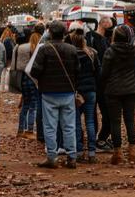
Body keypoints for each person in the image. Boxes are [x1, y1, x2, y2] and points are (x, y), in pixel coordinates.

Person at [30, 21, 80, 169]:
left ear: (50, 33)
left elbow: (35, 71)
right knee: (69, 126)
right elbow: (78, 70)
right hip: (68, 92)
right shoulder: (72, 49)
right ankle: (72, 157)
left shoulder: (44, 50)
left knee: (50, 126)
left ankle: (52, 157)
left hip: (49, 92)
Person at [101, 25, 135, 165]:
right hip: (130, 89)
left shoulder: (110, 51)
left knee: (115, 122)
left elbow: (104, 73)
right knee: (130, 120)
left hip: (113, 90)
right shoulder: (133, 50)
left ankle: (117, 153)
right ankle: (133, 152)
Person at [71, 33, 99, 163]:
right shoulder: (92, 54)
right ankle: (92, 152)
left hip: (77, 92)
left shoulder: (72, 55)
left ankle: (79, 151)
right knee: (90, 121)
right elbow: (98, 71)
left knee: (76, 122)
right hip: (91, 90)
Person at [87, 17, 114, 153]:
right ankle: (99, 141)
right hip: (98, 83)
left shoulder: (96, 39)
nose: (112, 28)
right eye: (110, 24)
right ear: (103, 24)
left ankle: (99, 140)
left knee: (97, 115)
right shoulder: (95, 39)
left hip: (97, 83)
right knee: (102, 114)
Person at [14, 32, 38, 138]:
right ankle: (29, 130)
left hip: (22, 78)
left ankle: (20, 129)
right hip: (32, 78)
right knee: (33, 105)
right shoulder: (32, 48)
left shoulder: (19, 47)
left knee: (25, 104)